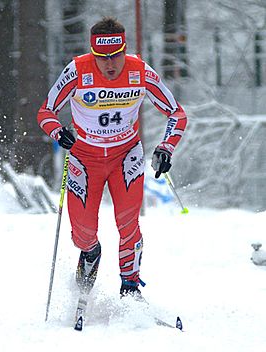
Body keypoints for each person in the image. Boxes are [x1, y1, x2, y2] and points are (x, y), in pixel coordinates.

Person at [37, 17, 187, 298]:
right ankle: (91, 252)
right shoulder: (78, 70)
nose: (109, 64)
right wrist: (58, 132)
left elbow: (176, 113)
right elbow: (46, 112)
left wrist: (166, 147)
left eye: (115, 56)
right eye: (101, 57)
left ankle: (130, 285)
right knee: (82, 231)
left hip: (125, 155)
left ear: (124, 50)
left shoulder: (140, 71)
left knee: (128, 222)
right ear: (93, 53)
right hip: (85, 156)